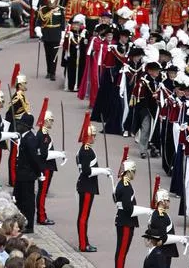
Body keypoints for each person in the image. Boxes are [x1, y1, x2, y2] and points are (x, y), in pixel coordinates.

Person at [76, 112, 110, 253]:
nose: (95, 137)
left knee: (84, 215)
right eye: (93, 135)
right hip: (87, 186)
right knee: (83, 216)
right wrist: (102, 170)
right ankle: (83, 244)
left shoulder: (86, 149)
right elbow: (87, 171)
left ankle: (84, 241)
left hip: (87, 185)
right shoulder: (86, 151)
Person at [113, 159, 153, 268]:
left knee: (121, 251)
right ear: (129, 171)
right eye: (133, 171)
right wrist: (147, 211)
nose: (134, 173)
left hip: (123, 220)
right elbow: (129, 209)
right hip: (126, 222)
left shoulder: (122, 182)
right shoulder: (126, 187)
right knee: (122, 251)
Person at [35, 105, 64, 227]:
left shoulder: (44, 133)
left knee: (43, 192)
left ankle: (42, 214)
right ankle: (41, 216)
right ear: (46, 120)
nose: (52, 122)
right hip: (45, 167)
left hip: (47, 167)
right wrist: (59, 154)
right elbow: (44, 154)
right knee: (42, 193)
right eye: (51, 120)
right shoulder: (43, 135)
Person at [13, 112, 42, 233]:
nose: (18, 126)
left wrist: (37, 173)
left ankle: (28, 225)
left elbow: (34, 159)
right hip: (22, 174)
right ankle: (21, 222)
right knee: (19, 199)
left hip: (27, 175)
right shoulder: (25, 137)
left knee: (27, 202)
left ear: (26, 126)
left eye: (20, 124)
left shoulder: (30, 139)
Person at [35, 0, 65, 82]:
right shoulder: (43, 10)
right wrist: (39, 32)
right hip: (46, 33)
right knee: (48, 54)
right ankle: (48, 71)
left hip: (56, 33)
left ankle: (53, 73)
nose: (52, 5)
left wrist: (63, 35)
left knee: (54, 54)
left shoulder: (60, 10)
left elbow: (62, 24)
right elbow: (39, 23)